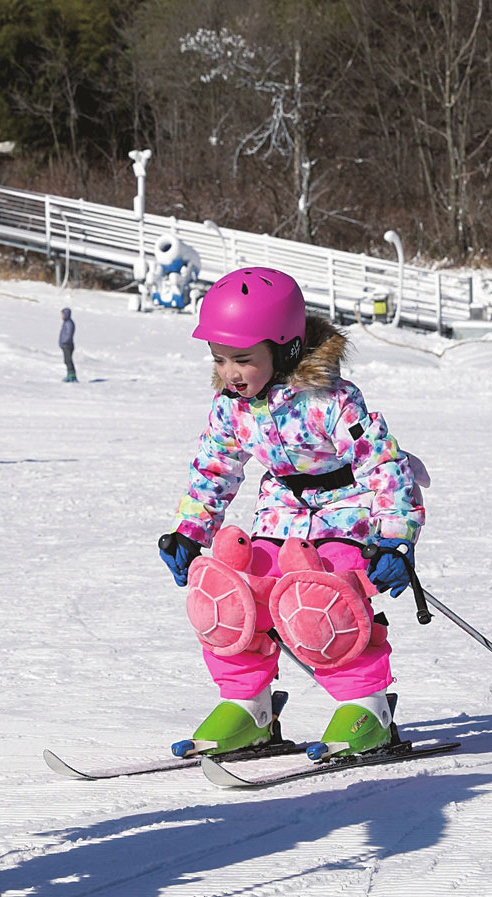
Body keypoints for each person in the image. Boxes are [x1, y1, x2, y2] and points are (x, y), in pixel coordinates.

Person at [158, 267, 426, 759]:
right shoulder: (231, 408)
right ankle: (248, 707)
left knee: (319, 604)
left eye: (242, 359)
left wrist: (396, 537)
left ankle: (369, 708)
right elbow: (215, 468)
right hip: (281, 513)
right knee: (230, 594)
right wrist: (189, 531)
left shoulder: (332, 401)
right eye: (219, 360)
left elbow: (384, 463)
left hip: (349, 512)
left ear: (287, 351)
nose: (229, 373)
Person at [59, 307, 77, 382]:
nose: (61, 316)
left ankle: (72, 376)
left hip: (68, 345)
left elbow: (69, 334)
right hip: (65, 345)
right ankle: (69, 374)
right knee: (66, 360)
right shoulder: (66, 323)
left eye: (63, 314)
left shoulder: (69, 323)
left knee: (68, 360)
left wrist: (64, 341)